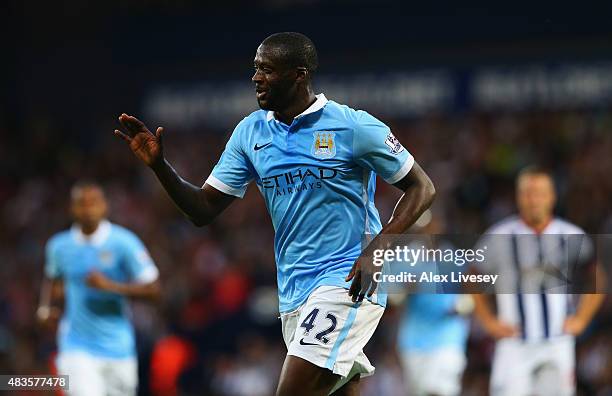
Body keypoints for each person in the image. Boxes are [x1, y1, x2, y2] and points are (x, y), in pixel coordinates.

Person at [113, 32, 435, 396]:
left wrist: (378, 248)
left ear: (299, 74)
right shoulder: (250, 132)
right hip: (294, 293)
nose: (256, 78)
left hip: (346, 280)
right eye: (255, 69)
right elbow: (202, 209)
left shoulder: (353, 125)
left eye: (266, 69)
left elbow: (422, 187)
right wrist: (160, 167)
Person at [472, 166, 605, 396]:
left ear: (552, 196)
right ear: (518, 197)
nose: (534, 200)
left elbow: (597, 277)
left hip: (556, 342)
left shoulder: (571, 235)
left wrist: (582, 318)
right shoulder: (498, 237)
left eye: (540, 193)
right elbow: (472, 278)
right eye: (528, 193)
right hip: (513, 342)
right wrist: (489, 321)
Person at [37, 181, 161, 396]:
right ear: (72, 208)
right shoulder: (59, 246)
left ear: (105, 206)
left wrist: (110, 286)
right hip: (76, 347)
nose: (88, 209)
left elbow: (154, 289)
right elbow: (53, 280)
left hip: (119, 348)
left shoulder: (124, 243)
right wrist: (45, 308)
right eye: (81, 204)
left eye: (93, 203)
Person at [395, 215, 471, 396]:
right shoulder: (405, 259)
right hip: (414, 340)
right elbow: (391, 301)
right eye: (425, 228)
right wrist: (405, 289)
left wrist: (462, 306)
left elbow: (471, 293)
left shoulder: (454, 258)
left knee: (442, 390)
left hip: (447, 337)